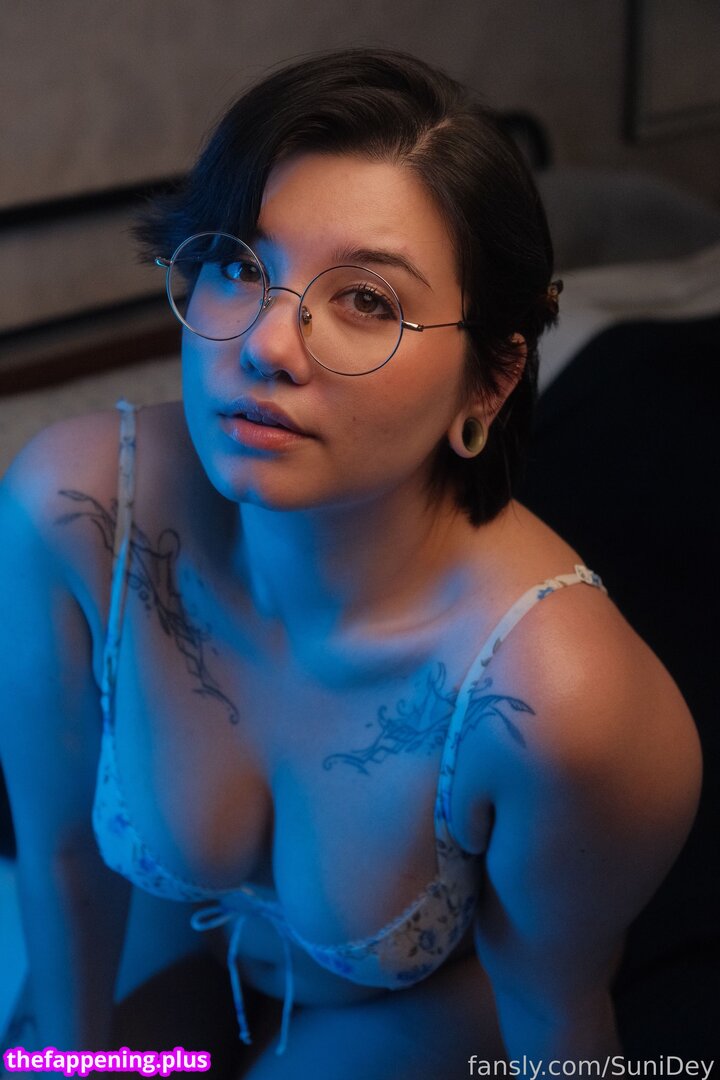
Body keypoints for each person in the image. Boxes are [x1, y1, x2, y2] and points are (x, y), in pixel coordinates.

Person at [0, 48, 701, 1078]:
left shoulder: (562, 702)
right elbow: (61, 858)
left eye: (367, 299)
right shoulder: (74, 512)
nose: (269, 346)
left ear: (491, 380)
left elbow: (557, 1021)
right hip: (188, 933)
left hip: (422, 1006)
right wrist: (73, 1063)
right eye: (243, 265)